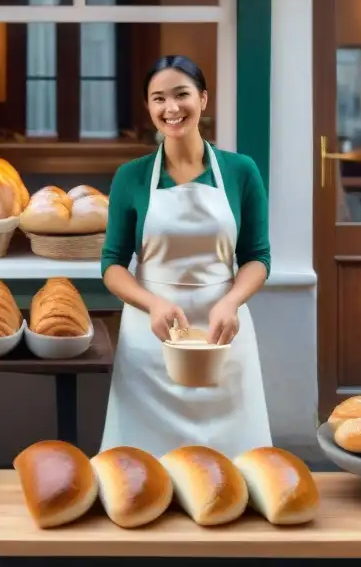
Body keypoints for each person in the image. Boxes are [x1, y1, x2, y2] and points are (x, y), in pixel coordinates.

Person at [98, 55, 272, 458]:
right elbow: (112, 265)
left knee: (234, 468)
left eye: (182, 95)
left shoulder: (240, 171)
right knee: (144, 472)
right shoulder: (132, 177)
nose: (171, 108)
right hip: (151, 336)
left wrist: (231, 301)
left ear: (203, 99)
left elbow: (257, 257)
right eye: (158, 99)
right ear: (148, 107)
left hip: (223, 332)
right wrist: (152, 303)